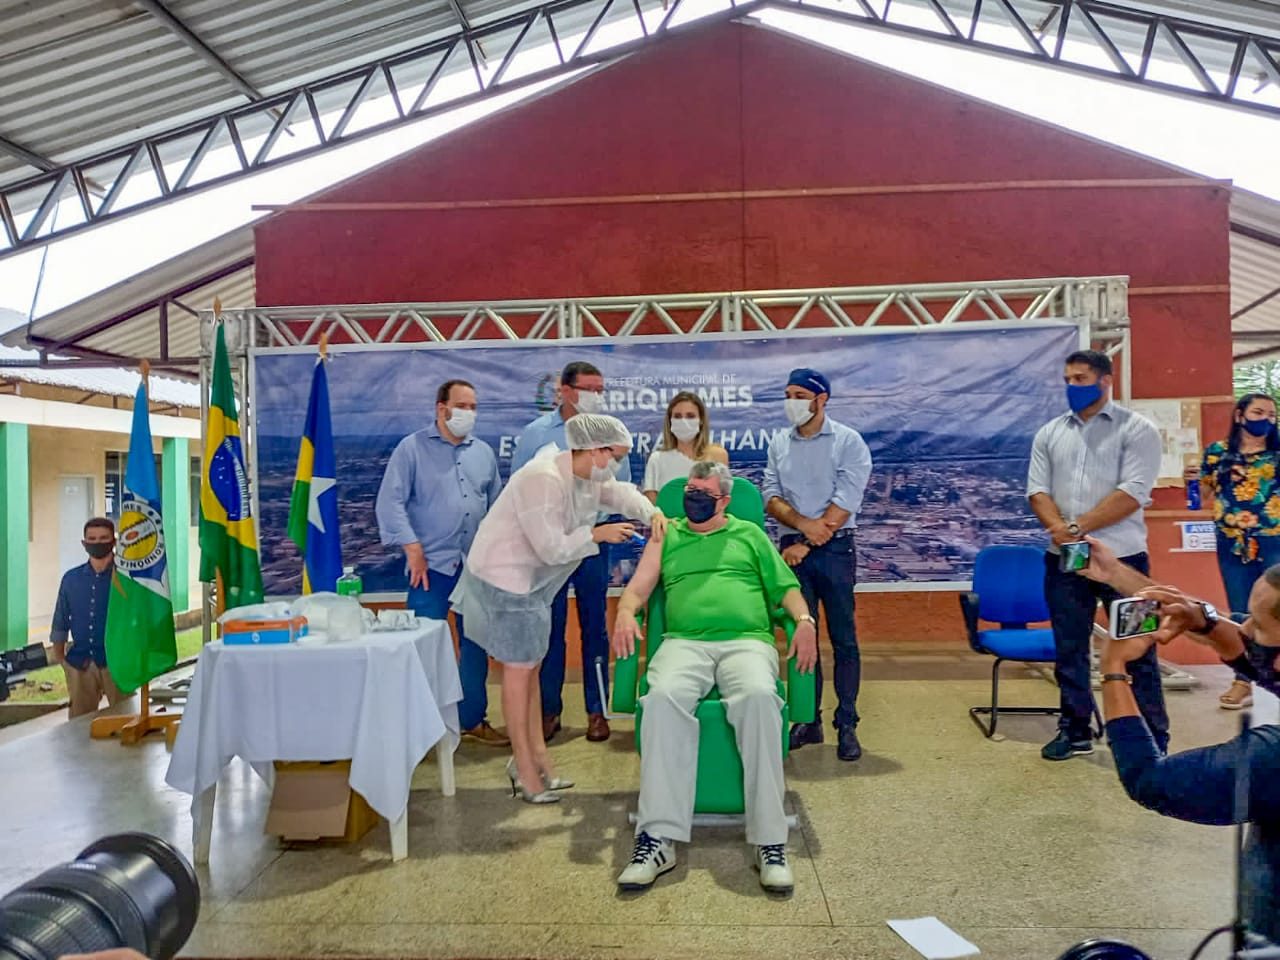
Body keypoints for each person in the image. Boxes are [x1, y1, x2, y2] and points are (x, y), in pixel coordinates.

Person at [611, 461, 818, 894]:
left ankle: (770, 839)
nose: (693, 497)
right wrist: (626, 613)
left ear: (724, 500)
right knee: (663, 697)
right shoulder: (668, 535)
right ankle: (657, 838)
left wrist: (804, 621)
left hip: (746, 641)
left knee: (760, 697)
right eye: (689, 489)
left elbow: (786, 589)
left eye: (703, 492)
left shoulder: (750, 535)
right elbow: (638, 589)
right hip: (683, 642)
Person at [452, 414, 665, 802]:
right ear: (596, 450)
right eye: (614, 455)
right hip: (506, 580)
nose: (616, 464)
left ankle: (537, 760)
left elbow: (618, 493)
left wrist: (652, 513)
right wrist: (597, 534)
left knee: (530, 671)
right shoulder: (543, 478)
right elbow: (549, 547)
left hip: (532, 585)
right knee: (518, 676)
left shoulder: (585, 475)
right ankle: (525, 771)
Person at [1078, 536, 1280, 943]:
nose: (1242, 627)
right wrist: (1198, 615)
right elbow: (1257, 659)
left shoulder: (1267, 759)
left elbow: (1149, 780)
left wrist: (1114, 668)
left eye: (1256, 623)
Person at [1027, 349, 1169, 761]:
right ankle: (1075, 730)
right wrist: (1061, 531)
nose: (1072, 386)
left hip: (1125, 563)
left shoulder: (1137, 430)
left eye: (1081, 378)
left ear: (1106, 380)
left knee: (1138, 647)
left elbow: (1132, 493)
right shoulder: (1051, 432)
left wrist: (1075, 527)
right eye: (1068, 379)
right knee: (1069, 647)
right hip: (1065, 560)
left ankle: (1152, 736)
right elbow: (1037, 491)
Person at [375, 379, 507, 745]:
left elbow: (495, 506)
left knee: (475, 645)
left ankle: (471, 719)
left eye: (474, 407)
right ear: (441, 408)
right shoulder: (411, 449)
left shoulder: (483, 452)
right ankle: (421, 727)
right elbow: (390, 503)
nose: (469, 413)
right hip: (430, 569)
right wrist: (412, 548)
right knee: (421, 648)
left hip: (475, 567)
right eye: (462, 405)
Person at [512, 360, 629, 743]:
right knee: (550, 629)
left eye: (601, 389)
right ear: (564, 390)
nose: (596, 396)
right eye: (588, 388)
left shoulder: (609, 432)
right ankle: (549, 710)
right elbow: (519, 490)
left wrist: (595, 525)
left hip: (592, 544)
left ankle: (598, 711)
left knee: (595, 627)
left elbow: (621, 488)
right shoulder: (535, 435)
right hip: (549, 549)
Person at [761, 367, 872, 762]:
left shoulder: (849, 442)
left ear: (820, 399)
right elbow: (770, 496)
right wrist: (802, 529)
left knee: (844, 639)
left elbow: (846, 501)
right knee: (801, 636)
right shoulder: (779, 442)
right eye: (787, 393)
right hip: (793, 548)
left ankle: (847, 723)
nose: (790, 402)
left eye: (798, 395)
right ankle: (809, 720)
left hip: (835, 550)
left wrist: (807, 540)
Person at [1200, 392, 1280, 710]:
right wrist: (1193, 480)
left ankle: (1274, 678)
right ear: (1240, 416)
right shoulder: (1218, 453)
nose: (1266, 419)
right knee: (1240, 611)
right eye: (1259, 412)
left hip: (1274, 539)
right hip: (1231, 541)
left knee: (1276, 610)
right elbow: (1205, 494)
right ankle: (1243, 680)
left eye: (1272, 415)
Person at [50, 518, 125, 719]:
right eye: (92, 538)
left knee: (125, 721)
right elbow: (61, 618)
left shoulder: (127, 579)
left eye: (103, 538)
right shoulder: (71, 579)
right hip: (80, 664)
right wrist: (61, 660)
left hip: (118, 662)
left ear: (113, 541)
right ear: (84, 543)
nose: (97, 542)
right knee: (78, 728)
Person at [642, 391, 729, 502]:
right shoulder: (657, 459)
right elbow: (652, 510)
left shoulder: (718, 456)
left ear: (701, 420)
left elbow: (723, 501)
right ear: (670, 421)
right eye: (677, 416)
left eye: (690, 416)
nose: (683, 421)